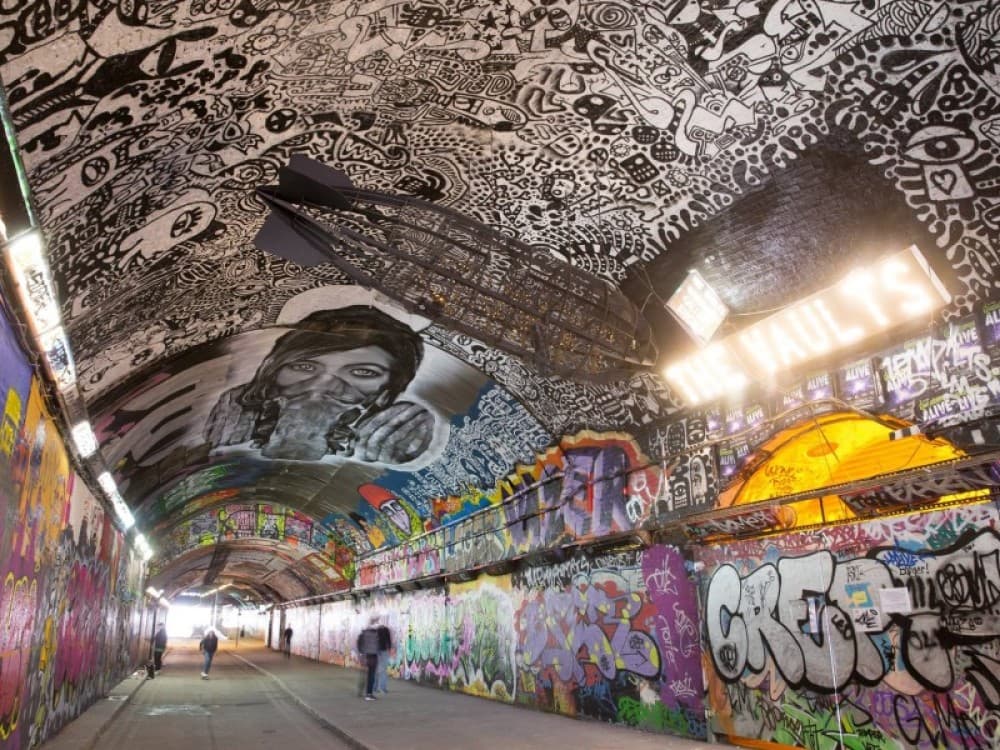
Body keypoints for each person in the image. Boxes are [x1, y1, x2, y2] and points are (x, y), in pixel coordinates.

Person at [204, 306, 434, 464]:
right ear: (270, 376)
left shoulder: (392, 429)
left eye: (362, 372)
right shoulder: (237, 417)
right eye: (304, 367)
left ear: (387, 395)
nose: (323, 386)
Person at [357, 617, 381, 700]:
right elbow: (378, 646)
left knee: (363, 674)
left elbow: (359, 644)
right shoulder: (376, 634)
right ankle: (369, 694)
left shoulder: (363, 634)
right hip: (373, 657)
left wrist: (361, 653)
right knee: (371, 676)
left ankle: (360, 690)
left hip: (365, 656)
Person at [375, 620, 392, 694]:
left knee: (375, 670)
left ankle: (374, 688)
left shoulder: (376, 630)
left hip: (376, 651)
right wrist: (390, 649)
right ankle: (383, 688)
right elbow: (389, 641)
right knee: (383, 670)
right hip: (384, 650)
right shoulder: (386, 629)